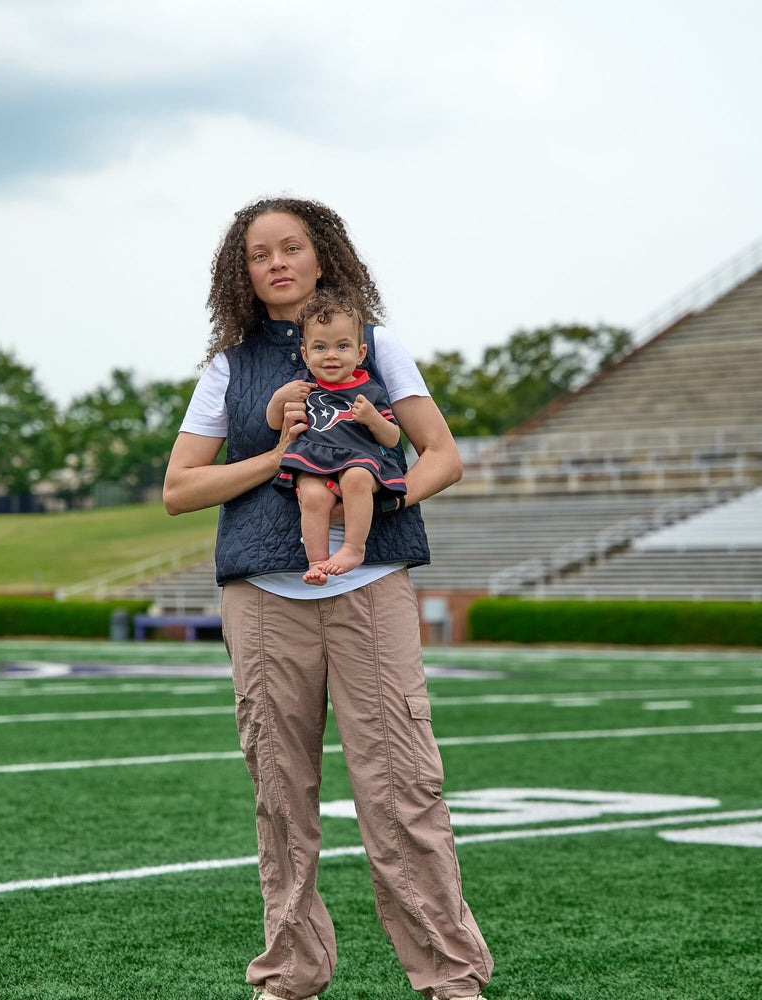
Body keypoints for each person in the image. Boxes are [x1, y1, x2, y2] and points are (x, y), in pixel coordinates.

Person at [163, 196, 492, 1000]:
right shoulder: (229, 368)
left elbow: (442, 455)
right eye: (257, 254)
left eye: (291, 248)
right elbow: (178, 488)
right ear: (240, 274)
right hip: (265, 599)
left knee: (402, 788)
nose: (275, 263)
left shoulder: (380, 345)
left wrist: (385, 499)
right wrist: (275, 451)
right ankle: (289, 974)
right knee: (280, 793)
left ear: (323, 256)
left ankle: (451, 980)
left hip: (370, 588)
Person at [267, 289, 407, 585]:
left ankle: (354, 548)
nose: (331, 355)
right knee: (313, 495)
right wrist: (280, 398)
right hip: (313, 459)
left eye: (342, 346)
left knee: (355, 478)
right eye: (320, 347)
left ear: (360, 353)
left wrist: (372, 418)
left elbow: (392, 438)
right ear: (305, 354)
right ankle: (317, 561)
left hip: (360, 460)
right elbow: (272, 421)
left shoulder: (370, 391)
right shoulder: (302, 385)